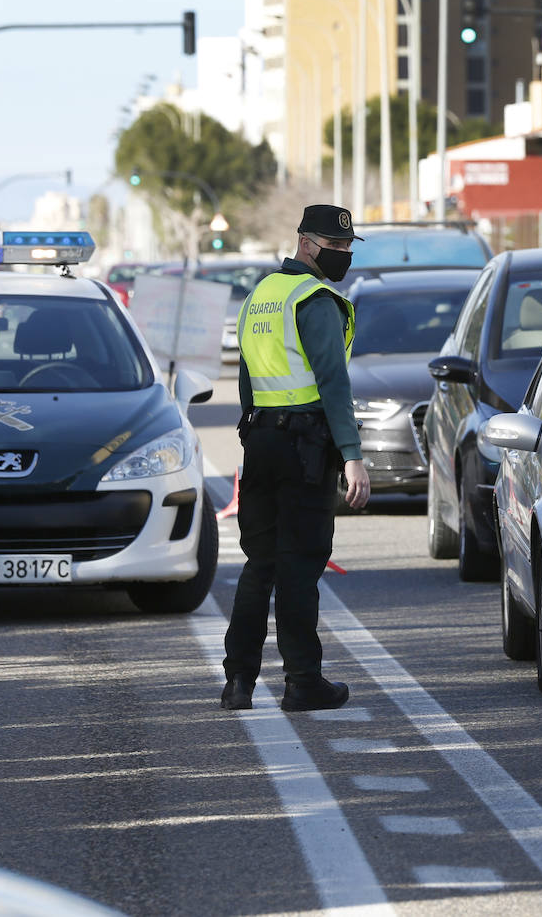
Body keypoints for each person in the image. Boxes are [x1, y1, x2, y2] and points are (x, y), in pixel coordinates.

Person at [220, 204, 371, 713]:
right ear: (307, 243)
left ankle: (237, 682)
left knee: (259, 564)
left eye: (348, 248)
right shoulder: (315, 298)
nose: (343, 256)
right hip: (306, 446)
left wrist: (256, 432)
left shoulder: (261, 295)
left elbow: (247, 378)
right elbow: (333, 382)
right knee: (299, 567)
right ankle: (303, 681)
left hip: (261, 441)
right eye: (336, 247)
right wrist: (352, 456)